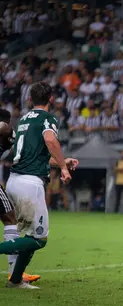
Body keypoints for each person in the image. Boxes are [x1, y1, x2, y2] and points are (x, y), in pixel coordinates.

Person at [0, 82, 78, 289]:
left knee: (30, 233)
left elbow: (31, 156)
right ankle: (15, 277)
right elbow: (51, 141)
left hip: (14, 180)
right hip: (30, 183)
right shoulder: (48, 119)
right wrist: (63, 167)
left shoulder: (24, 120)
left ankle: (16, 280)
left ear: (30, 99)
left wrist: (63, 161)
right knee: (39, 239)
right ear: (51, 99)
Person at [0, 109, 41, 284]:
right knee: (10, 218)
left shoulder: (10, 140)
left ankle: (14, 272)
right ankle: (14, 272)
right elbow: (3, 127)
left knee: (9, 217)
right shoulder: (7, 130)